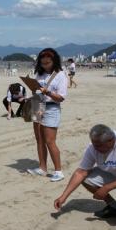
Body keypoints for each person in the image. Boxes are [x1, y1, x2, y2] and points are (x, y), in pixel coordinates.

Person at [53, 125, 116, 228]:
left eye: (99, 146)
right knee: (86, 179)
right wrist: (63, 197)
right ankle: (114, 208)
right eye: (94, 145)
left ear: (111, 141)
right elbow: (81, 172)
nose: (95, 149)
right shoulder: (93, 147)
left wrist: (106, 188)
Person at [27, 48, 68, 182]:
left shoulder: (61, 75)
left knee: (50, 141)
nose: (45, 66)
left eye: (48, 63)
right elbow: (36, 89)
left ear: (54, 61)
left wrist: (47, 92)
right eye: (43, 63)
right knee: (39, 139)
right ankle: (42, 167)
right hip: (37, 105)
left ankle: (58, 171)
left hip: (51, 108)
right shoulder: (39, 73)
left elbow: (61, 97)